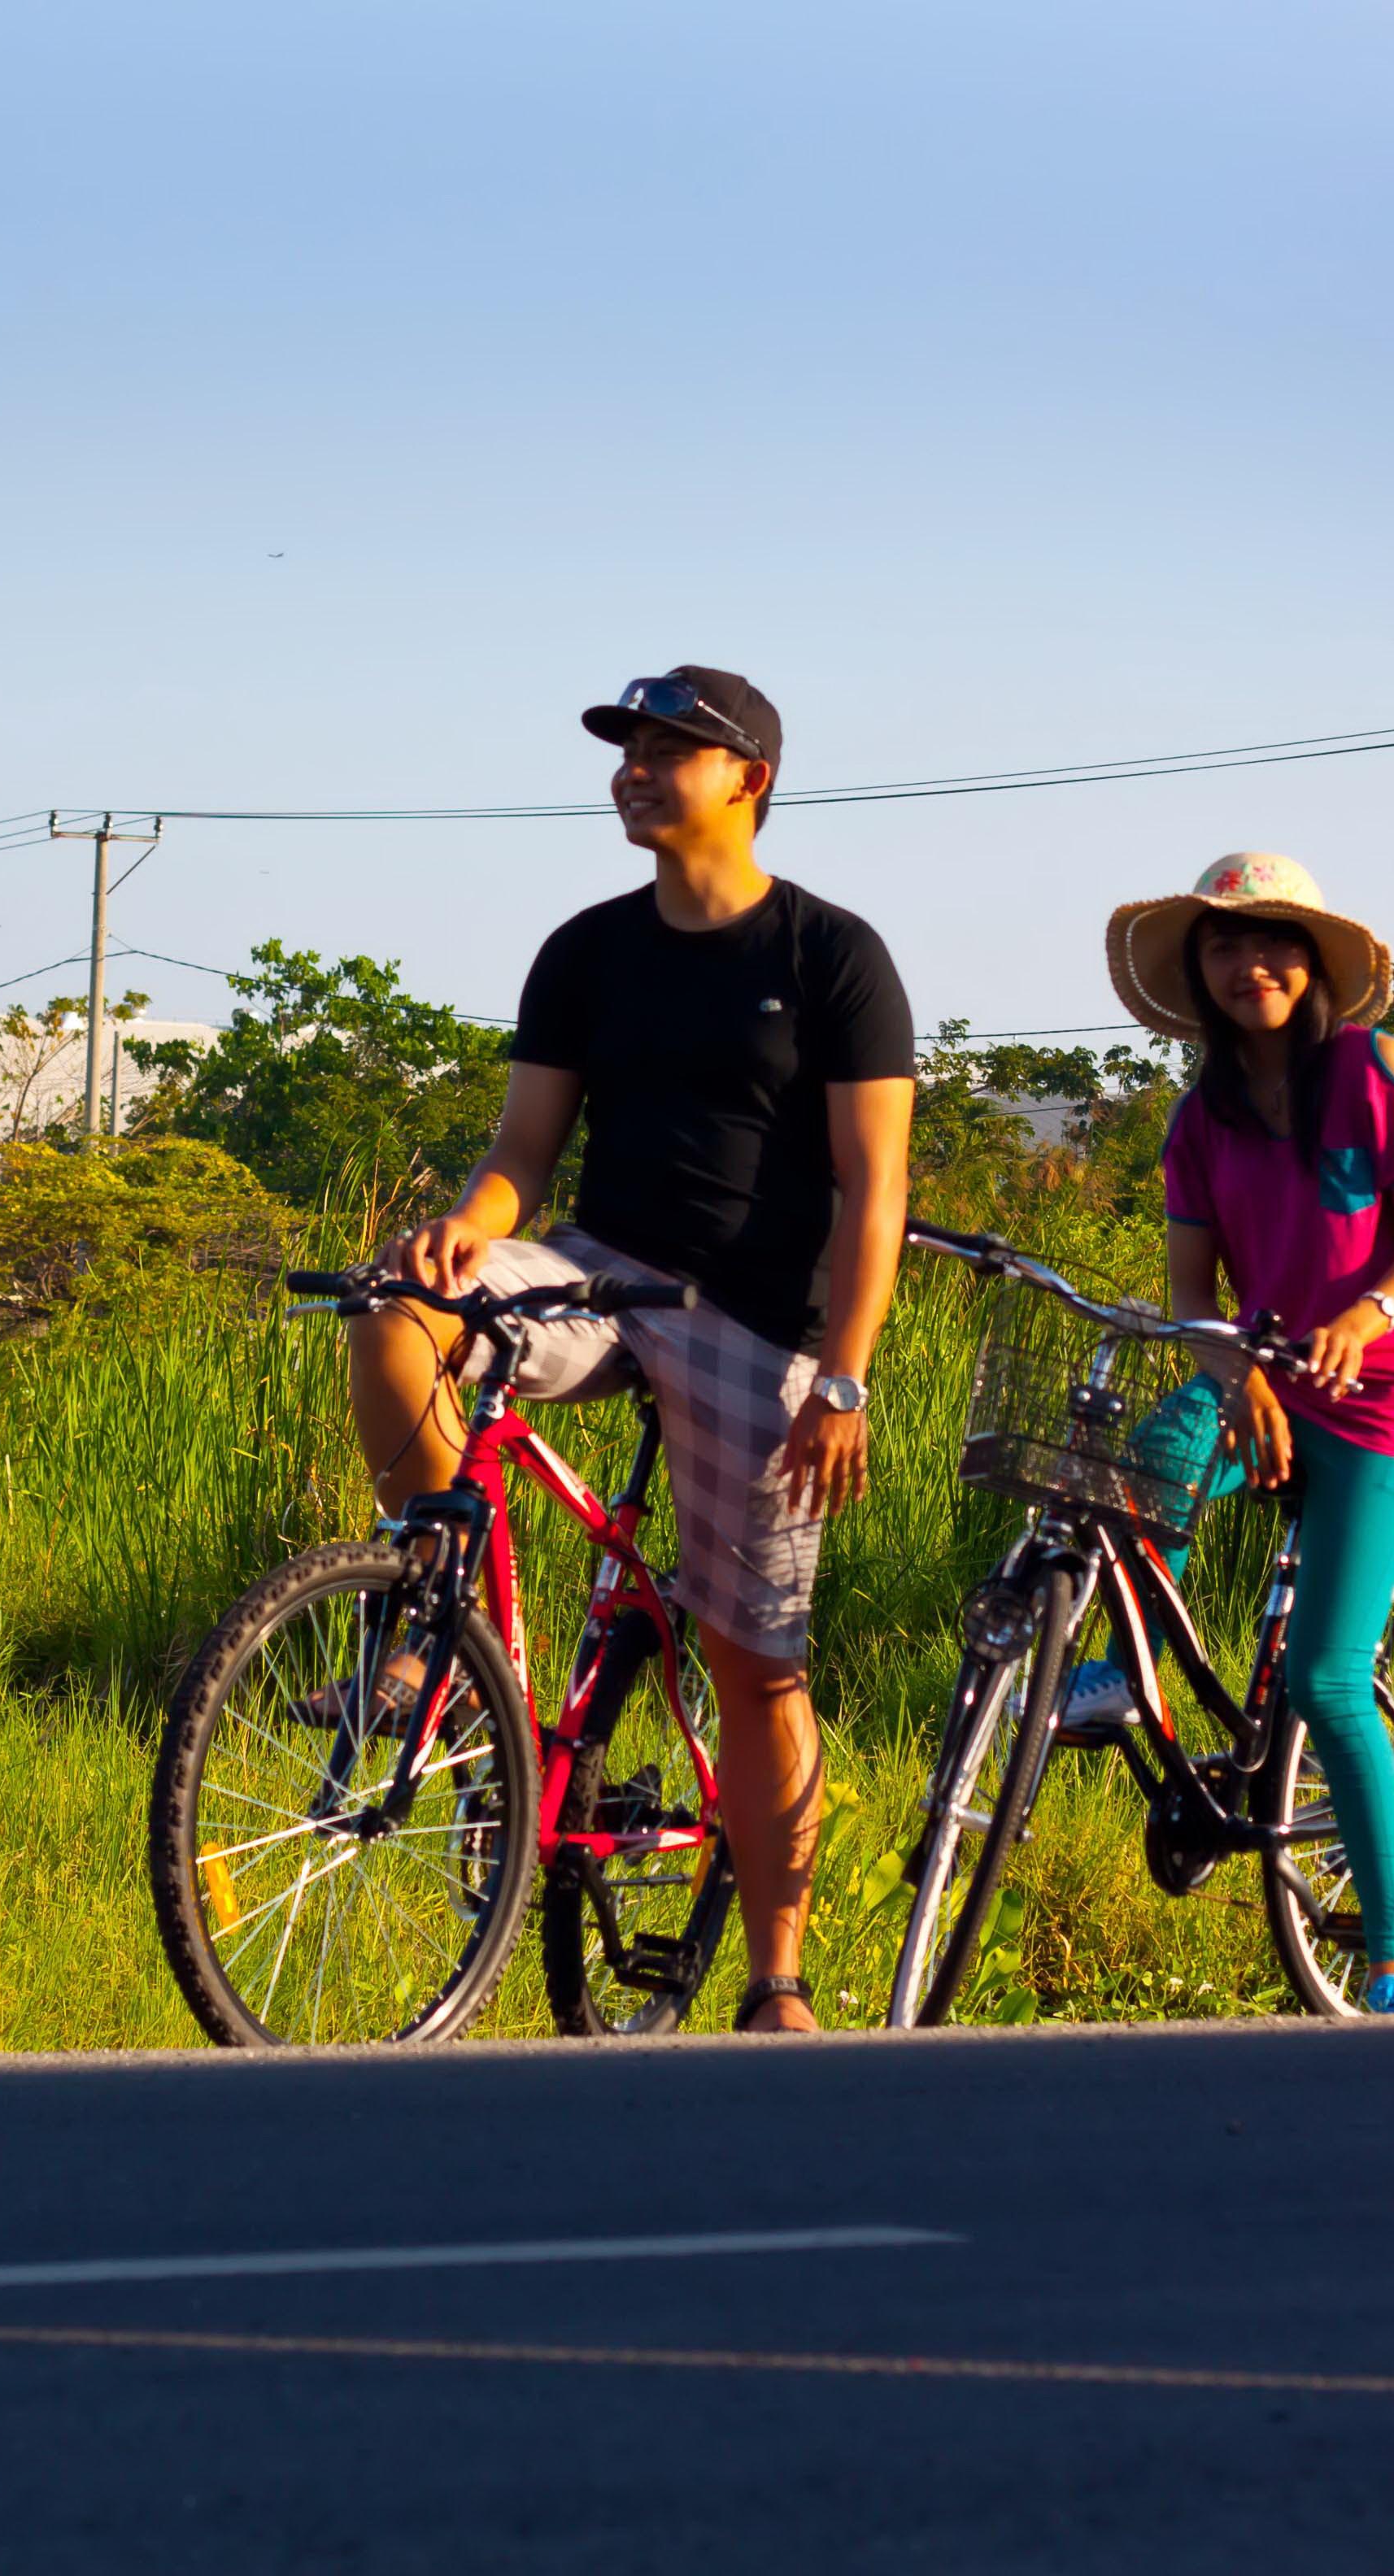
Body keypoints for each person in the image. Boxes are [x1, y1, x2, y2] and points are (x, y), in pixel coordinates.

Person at [347, 665, 916, 2034]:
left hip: (754, 1320)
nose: (636, 770)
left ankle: (776, 1977)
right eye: (629, 749)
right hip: (600, 1276)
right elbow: (520, 1159)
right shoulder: (587, 950)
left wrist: (843, 1375)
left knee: (754, 1664)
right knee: (395, 1313)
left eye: (671, 750)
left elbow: (872, 1189)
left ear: (749, 780)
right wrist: (460, 1233)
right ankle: (439, 1632)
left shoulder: (830, 956)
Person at [1098, 851, 1394, 2013]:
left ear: (1313, 964)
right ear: (1196, 972)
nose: (1250, 964)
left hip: (1378, 1394)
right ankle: (1122, 1670)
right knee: (1147, 1461)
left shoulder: (1373, 1070)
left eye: (1274, 943)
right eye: (1223, 944)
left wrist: (1366, 1315)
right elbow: (1189, 1299)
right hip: (1259, 1373)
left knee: (1325, 1677)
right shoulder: (1197, 1120)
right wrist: (1233, 1374)